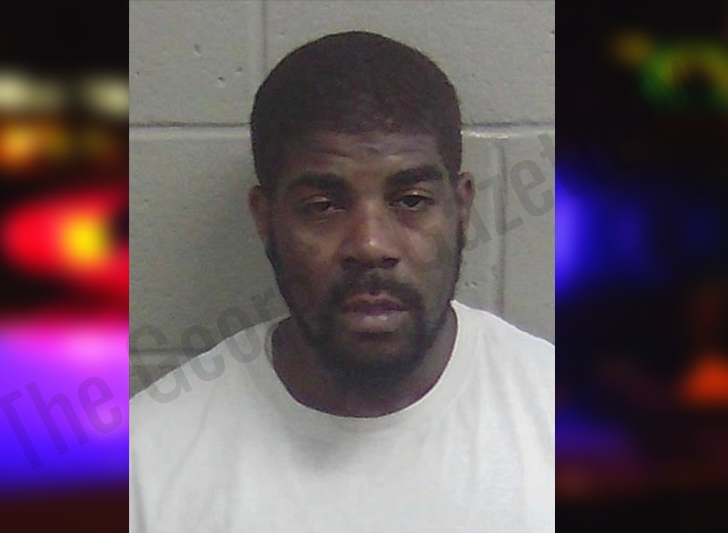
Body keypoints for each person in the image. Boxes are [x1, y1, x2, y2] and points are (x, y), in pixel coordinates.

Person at [130, 31, 554, 532]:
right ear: (266, 219)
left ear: (461, 209)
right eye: (323, 206)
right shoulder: (147, 465)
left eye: (411, 200)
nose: (370, 245)